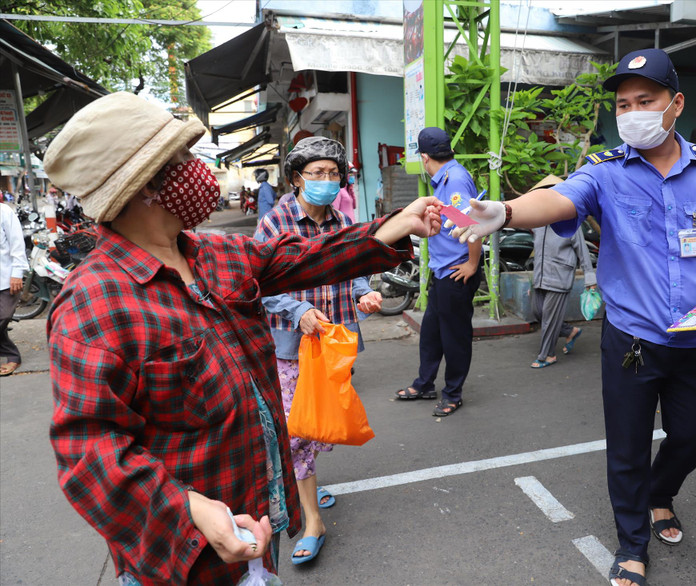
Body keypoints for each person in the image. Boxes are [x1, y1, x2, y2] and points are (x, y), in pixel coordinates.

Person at [42, 91, 442, 585]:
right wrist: (186, 510)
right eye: (182, 160)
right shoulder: (94, 304)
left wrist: (396, 226)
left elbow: (303, 257)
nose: (198, 170)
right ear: (144, 185)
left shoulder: (211, 253)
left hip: (257, 529)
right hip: (184, 562)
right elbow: (90, 454)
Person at [446, 49, 696, 586]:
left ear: (675, 104)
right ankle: (632, 543)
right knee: (628, 446)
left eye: (646, 100)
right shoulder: (605, 172)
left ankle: (662, 492)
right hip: (633, 339)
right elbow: (561, 201)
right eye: (623, 103)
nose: (632, 111)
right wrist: (507, 212)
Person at [254, 137, 383, 565]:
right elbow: (259, 284)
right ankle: (312, 521)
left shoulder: (342, 220)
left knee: (320, 420)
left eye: (333, 174)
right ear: (296, 178)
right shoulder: (276, 223)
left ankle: (303, 481)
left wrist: (365, 294)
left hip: (334, 344)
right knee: (297, 430)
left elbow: (354, 271)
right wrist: (298, 310)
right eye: (317, 174)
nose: (327, 181)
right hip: (292, 346)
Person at [395, 127, 483, 417]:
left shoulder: (454, 180)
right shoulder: (446, 176)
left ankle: (453, 393)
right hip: (442, 270)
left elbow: (471, 225)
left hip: (456, 273)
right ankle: (425, 384)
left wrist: (471, 264)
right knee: (431, 333)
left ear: (424, 157)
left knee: (454, 336)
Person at [527, 176, 597, 369]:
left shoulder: (569, 222)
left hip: (560, 276)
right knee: (538, 312)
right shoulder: (538, 222)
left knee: (549, 320)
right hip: (540, 275)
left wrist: (589, 279)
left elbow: (582, 251)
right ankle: (569, 331)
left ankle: (547, 355)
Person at [0, 202, 28, 376]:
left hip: (6, 278)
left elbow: (17, 244)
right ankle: (12, 356)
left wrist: (17, 273)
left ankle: (12, 355)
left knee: (3, 317)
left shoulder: (4, 212)